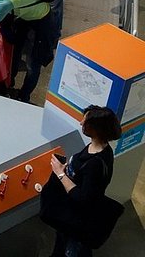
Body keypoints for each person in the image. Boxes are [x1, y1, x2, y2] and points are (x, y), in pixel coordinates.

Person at [46, 106, 121, 257]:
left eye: (85, 122)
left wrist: (61, 174)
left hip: (78, 220)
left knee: (72, 250)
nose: (81, 123)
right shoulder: (100, 148)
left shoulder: (95, 164)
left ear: (95, 129)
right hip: (72, 215)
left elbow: (82, 198)